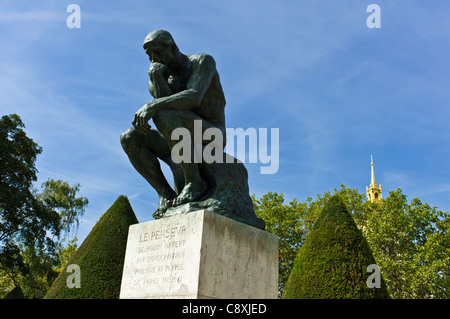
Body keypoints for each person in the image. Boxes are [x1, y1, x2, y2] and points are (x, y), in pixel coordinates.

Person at [120, 30, 226, 217]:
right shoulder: (156, 78)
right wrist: (158, 78)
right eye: (149, 55)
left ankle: (195, 182)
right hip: (177, 132)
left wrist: (154, 105)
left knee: (163, 115)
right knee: (130, 137)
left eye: (158, 52)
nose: (153, 58)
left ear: (173, 47)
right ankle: (165, 193)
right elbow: (166, 112)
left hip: (212, 134)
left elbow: (194, 97)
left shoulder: (202, 62)